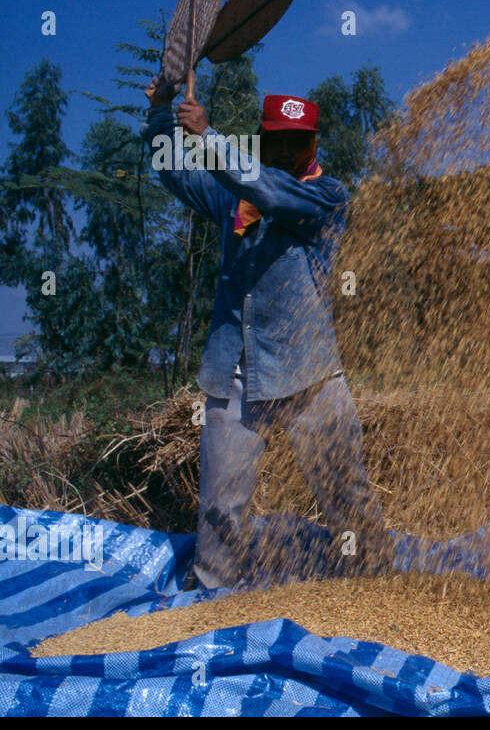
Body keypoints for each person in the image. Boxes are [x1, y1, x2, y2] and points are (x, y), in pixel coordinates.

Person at [143, 77, 393, 587]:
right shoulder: (232, 198)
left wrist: (209, 137)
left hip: (308, 372)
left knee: (346, 493)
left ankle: (376, 582)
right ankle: (212, 596)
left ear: (312, 145)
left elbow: (266, 188)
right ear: (263, 141)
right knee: (220, 506)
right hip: (235, 369)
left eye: (297, 140)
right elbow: (173, 172)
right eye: (277, 139)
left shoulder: (324, 196)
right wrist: (162, 115)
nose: (287, 148)